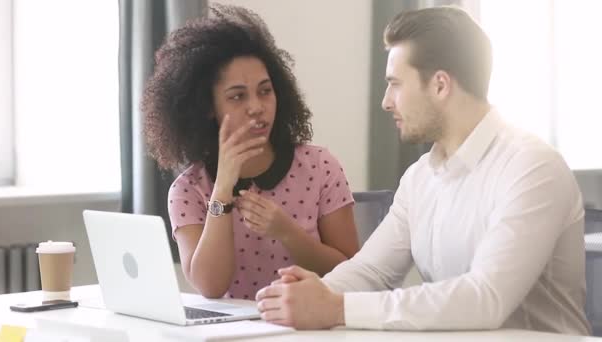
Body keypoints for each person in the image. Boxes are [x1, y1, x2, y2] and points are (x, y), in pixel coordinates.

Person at [256, 6, 591, 335]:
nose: (386, 101)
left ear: (440, 85)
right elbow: (372, 270)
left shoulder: (531, 167)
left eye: (395, 84)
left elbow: (485, 298)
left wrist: (336, 307)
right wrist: (316, 294)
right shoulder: (420, 177)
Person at [140, 4, 359, 300]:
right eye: (237, 96)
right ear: (207, 108)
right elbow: (210, 286)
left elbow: (352, 273)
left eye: (265, 91)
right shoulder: (188, 190)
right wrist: (222, 189)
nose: (256, 106)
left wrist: (287, 233)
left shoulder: (320, 166)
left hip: (310, 326)